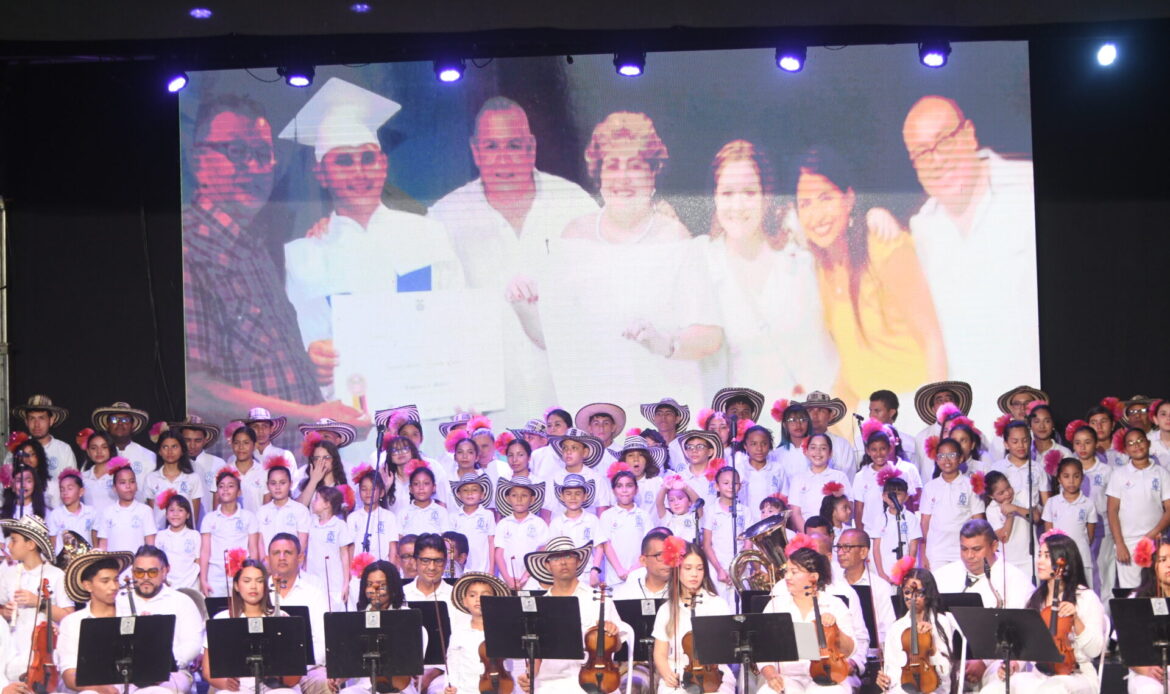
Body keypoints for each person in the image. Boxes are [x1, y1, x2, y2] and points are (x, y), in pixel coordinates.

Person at [182, 93, 367, 433]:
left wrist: (310, 365)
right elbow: (196, 390)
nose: (254, 167)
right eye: (237, 152)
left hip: (297, 467)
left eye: (263, 154)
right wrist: (313, 416)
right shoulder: (188, 250)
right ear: (199, 162)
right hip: (243, 474)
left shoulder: (256, 248)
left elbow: (259, 365)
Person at [282, 78, 464, 394]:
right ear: (321, 174)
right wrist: (309, 360)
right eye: (343, 161)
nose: (359, 172)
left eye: (367, 158)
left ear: (383, 164)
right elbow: (302, 341)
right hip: (351, 418)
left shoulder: (429, 234)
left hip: (430, 406)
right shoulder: (303, 257)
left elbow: (459, 322)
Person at [538, 111, 724, 415]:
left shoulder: (674, 237)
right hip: (593, 413)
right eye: (612, 165)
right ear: (598, 174)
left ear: (652, 174)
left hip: (663, 413)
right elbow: (549, 333)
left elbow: (710, 336)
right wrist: (524, 303)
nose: (622, 177)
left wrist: (664, 343)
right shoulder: (573, 236)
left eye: (635, 166)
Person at [428, 97, 598, 424]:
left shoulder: (573, 203)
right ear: (475, 151)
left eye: (514, 145)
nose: (504, 158)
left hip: (567, 390)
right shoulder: (445, 216)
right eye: (492, 146)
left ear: (531, 147)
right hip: (489, 402)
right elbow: (437, 317)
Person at [902, 96, 1038, 412]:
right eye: (921, 154)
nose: (935, 161)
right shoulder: (922, 229)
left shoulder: (1028, 187)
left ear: (969, 134)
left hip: (1038, 414)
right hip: (969, 426)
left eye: (943, 142)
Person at [792, 146, 946, 422]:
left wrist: (937, 426)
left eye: (825, 198)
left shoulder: (884, 245)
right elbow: (854, 363)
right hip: (869, 421)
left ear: (849, 198)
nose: (816, 215)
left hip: (914, 409)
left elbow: (933, 339)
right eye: (805, 204)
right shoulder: (820, 268)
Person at [698, 150, 838, 397]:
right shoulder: (705, 262)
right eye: (727, 193)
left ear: (766, 196)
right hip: (757, 426)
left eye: (750, 192)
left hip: (828, 414)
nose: (738, 205)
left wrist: (874, 216)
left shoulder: (798, 247)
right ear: (714, 197)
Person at [977, 532, 1104, 694]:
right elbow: (1026, 645)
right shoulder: (1035, 599)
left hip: (1078, 676)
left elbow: (1094, 651)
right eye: (1039, 555)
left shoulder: (1086, 598)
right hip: (1040, 675)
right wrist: (1015, 664)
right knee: (993, 689)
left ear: (1063, 562)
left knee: (1053, 689)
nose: (1040, 561)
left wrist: (1076, 620)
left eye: (1047, 556)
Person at [518, 537, 632, 693]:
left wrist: (613, 634)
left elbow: (617, 646)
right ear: (548, 565)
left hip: (594, 679)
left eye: (568, 556)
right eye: (556, 558)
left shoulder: (599, 597)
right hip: (551, 682)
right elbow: (536, 656)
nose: (563, 562)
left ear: (577, 561)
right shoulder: (540, 605)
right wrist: (529, 676)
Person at [758, 536, 858, 694]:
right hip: (787, 677)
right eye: (786, 571)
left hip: (827, 676)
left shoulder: (835, 604)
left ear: (814, 577)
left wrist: (835, 630)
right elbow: (762, 649)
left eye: (794, 572)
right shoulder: (775, 605)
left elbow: (850, 650)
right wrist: (771, 676)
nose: (787, 577)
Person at [202, 559, 301, 694]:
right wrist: (225, 683)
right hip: (238, 688)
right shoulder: (221, 619)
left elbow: (294, 673)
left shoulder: (281, 617)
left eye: (259, 581)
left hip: (274, 687)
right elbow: (207, 670)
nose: (253, 586)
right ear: (237, 585)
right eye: (247, 581)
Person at [115, 545, 205, 693]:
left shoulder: (181, 601)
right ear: (132, 573)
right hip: (127, 674)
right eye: (139, 572)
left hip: (173, 673)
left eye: (152, 572)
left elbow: (193, 644)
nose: (145, 578)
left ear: (165, 571)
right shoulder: (120, 600)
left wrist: (160, 665)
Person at [651, 537, 735, 693]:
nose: (694, 574)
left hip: (714, 674)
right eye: (688, 568)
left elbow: (726, 649)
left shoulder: (718, 604)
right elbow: (660, 653)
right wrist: (667, 674)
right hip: (678, 672)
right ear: (678, 570)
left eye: (700, 568)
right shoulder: (667, 609)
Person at [0, 515, 74, 682]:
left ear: (31, 545)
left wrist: (38, 602)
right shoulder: (8, 573)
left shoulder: (56, 575)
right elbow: (1, 607)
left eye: (14, 540)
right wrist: (5, 612)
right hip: (13, 651)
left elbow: (69, 617)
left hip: (45, 654)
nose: (9, 545)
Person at [56, 549, 134, 694]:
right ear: (87, 585)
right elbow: (69, 675)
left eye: (116, 579)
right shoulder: (73, 623)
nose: (114, 587)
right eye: (105, 581)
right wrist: (101, 689)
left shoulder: (131, 615)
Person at [876, 567, 959, 694]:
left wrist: (932, 646)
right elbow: (892, 668)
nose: (912, 598)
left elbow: (946, 671)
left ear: (928, 594)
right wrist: (885, 679)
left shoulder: (942, 622)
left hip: (935, 688)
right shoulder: (896, 627)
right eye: (907, 592)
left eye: (919, 593)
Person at [1106, 427, 1170, 589]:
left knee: (1156, 590)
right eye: (1131, 443)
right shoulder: (1119, 474)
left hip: (1155, 541)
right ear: (1126, 449)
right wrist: (1119, 544)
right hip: (1128, 543)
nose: (1137, 445)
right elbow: (1112, 510)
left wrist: (1152, 535)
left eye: (1140, 440)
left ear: (1148, 443)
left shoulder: (1161, 473)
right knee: (1132, 592)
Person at [404, 533, 464, 694]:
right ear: (415, 561)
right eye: (425, 560)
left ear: (445, 562)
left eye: (438, 561)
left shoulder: (456, 597)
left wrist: (432, 673)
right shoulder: (400, 595)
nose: (432, 567)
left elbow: (461, 645)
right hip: (404, 674)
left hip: (444, 673)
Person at [267, 532, 329, 686]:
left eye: (287, 552)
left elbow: (321, 642)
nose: (281, 557)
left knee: (324, 682)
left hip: (306, 670)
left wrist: (296, 669)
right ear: (268, 559)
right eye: (276, 553)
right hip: (264, 671)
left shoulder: (313, 594)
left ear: (300, 558)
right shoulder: (256, 592)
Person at [933, 519, 1033, 608]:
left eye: (976, 549)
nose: (969, 556)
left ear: (994, 546)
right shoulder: (942, 576)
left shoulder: (1016, 580)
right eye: (964, 549)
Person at [443, 572, 514, 694]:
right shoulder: (459, 632)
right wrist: (450, 686)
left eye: (485, 595)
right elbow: (452, 664)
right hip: (466, 690)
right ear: (465, 601)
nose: (478, 599)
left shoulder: (503, 630)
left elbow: (512, 665)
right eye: (472, 595)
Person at [200, 467, 260, 596]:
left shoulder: (249, 517)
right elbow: (205, 552)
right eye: (221, 486)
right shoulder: (209, 519)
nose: (225, 489)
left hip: (242, 575)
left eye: (230, 486)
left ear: (239, 492)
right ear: (217, 492)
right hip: (215, 578)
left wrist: (253, 575)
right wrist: (203, 579)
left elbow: (254, 550)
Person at [8, 395, 77, 505]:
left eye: (41, 418)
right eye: (32, 418)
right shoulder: (17, 450)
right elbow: (5, 484)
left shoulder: (64, 450)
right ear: (26, 421)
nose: (36, 424)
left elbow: (73, 485)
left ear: (51, 420)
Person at [835, 528, 896, 649]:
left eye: (847, 547)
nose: (840, 553)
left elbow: (889, 629)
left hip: (873, 653)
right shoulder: (833, 585)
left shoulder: (881, 587)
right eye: (838, 547)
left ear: (863, 552)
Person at [1042, 458, 1097, 580]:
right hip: (1059, 558)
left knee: (1083, 592)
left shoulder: (1088, 504)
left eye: (1076, 476)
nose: (1071, 481)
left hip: (1082, 557)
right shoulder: (1052, 503)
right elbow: (1048, 534)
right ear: (1059, 478)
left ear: (1082, 478)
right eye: (1066, 476)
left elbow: (1090, 536)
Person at [599, 466, 653, 588]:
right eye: (619, 486)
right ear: (613, 490)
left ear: (636, 489)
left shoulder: (643, 515)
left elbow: (648, 547)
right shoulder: (607, 515)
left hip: (640, 574)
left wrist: (634, 569)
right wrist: (619, 570)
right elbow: (606, 544)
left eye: (629, 486)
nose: (624, 490)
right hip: (615, 577)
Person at [494, 476, 549, 590]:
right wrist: (508, 578)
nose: (519, 499)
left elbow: (541, 552)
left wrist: (526, 576)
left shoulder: (539, 523)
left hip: (532, 578)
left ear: (532, 499)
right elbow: (499, 554)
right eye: (514, 495)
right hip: (507, 580)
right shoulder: (503, 524)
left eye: (524, 495)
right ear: (508, 498)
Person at [787, 434, 852, 530]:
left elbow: (848, 507)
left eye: (823, 448)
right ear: (806, 452)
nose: (818, 452)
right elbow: (796, 513)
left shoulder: (839, 476)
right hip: (807, 535)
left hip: (834, 534)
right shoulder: (798, 479)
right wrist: (809, 535)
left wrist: (831, 533)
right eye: (813, 447)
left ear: (830, 453)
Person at [910, 382, 972, 482]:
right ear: (933, 408)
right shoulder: (922, 437)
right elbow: (919, 471)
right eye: (939, 400)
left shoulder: (972, 434)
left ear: (957, 405)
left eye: (949, 399)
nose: (945, 403)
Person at [91, 402, 154, 499]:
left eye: (125, 420)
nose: (120, 423)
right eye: (114, 420)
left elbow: (152, 495)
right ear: (108, 424)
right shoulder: (97, 456)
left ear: (132, 425)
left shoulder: (148, 456)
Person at [981, 471, 1036, 578]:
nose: (1007, 493)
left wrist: (1016, 508)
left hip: (1030, 558)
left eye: (1008, 487)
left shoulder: (1022, 494)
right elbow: (1003, 537)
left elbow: (1035, 517)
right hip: (1009, 561)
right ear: (992, 496)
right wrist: (1009, 516)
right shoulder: (991, 510)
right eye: (1001, 493)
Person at [144, 430, 204, 528]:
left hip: (186, 537)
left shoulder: (193, 478)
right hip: (160, 536)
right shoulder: (151, 478)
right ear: (159, 451)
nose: (170, 451)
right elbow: (151, 514)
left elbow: (194, 515)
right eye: (165, 447)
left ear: (182, 450)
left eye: (174, 447)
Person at [305, 485, 353, 608]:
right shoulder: (311, 522)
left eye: (316, 499)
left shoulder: (339, 525)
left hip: (334, 583)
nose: (313, 502)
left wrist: (345, 583)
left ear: (327, 504)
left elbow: (344, 555)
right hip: (313, 580)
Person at [172, 415, 225, 523]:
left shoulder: (218, 464)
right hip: (179, 525)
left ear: (205, 440)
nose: (192, 445)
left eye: (197, 440)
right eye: (187, 440)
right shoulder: (173, 464)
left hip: (209, 525)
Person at [96, 459, 156, 553]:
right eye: (123, 482)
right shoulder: (107, 512)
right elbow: (103, 544)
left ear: (136, 485)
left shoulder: (145, 510)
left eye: (132, 481)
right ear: (115, 488)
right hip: (114, 565)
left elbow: (150, 543)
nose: (128, 486)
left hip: (137, 565)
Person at [872, 477, 921, 582]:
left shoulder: (911, 518)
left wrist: (907, 571)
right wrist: (881, 573)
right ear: (884, 497)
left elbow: (913, 547)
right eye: (890, 494)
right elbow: (876, 548)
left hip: (905, 571)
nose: (893, 497)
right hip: (884, 569)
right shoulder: (879, 518)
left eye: (898, 494)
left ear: (906, 497)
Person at [801, 392, 859, 481]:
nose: (815, 415)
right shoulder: (798, 444)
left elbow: (849, 479)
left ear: (831, 415)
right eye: (810, 410)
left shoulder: (843, 445)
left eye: (820, 410)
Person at [258, 458, 312, 553]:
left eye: (282, 483)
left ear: (290, 484)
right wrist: (264, 562)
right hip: (267, 564)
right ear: (267, 485)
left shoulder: (300, 510)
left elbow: (302, 542)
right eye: (273, 483)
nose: (277, 487)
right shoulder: (262, 512)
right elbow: (259, 541)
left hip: (292, 564)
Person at [347, 464, 398, 564]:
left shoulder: (388, 517)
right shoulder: (352, 518)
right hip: (359, 570)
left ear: (382, 493)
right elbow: (350, 547)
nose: (368, 492)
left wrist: (391, 570)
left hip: (383, 568)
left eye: (373, 489)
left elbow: (392, 547)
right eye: (364, 489)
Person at [154, 492, 201, 590]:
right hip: (167, 586)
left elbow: (198, 561)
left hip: (190, 585)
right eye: (171, 510)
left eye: (180, 510)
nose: (175, 514)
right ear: (166, 514)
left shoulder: (194, 535)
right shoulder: (160, 536)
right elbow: (157, 562)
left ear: (188, 515)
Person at [614, 529, 673, 599]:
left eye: (670, 555)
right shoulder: (624, 593)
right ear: (643, 560)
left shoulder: (682, 592)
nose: (667, 561)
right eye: (659, 555)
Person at [47, 468, 96, 550]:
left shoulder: (91, 513)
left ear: (81, 491)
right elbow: (52, 543)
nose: (65, 493)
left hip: (86, 559)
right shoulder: (55, 515)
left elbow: (95, 541)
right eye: (62, 489)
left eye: (70, 488)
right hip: (64, 560)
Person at [548, 473, 600, 549]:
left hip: (589, 561)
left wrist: (596, 561)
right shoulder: (556, 523)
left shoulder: (592, 520)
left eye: (578, 494)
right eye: (568, 494)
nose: (573, 497)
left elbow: (599, 547)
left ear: (585, 496)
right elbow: (552, 549)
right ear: (562, 497)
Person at [223, 425, 267, 513]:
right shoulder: (224, 472)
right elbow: (218, 506)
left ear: (254, 445)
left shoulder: (264, 472)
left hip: (257, 524)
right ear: (232, 445)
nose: (241, 447)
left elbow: (268, 507)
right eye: (236, 443)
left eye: (246, 443)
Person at [868, 389, 918, 464]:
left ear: (891, 412)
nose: (871, 415)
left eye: (877, 411)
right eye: (870, 411)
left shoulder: (909, 444)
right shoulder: (859, 443)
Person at [641, 398, 691, 471]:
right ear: (654, 418)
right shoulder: (647, 444)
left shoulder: (685, 444)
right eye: (659, 414)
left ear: (677, 419)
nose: (663, 417)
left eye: (668, 414)